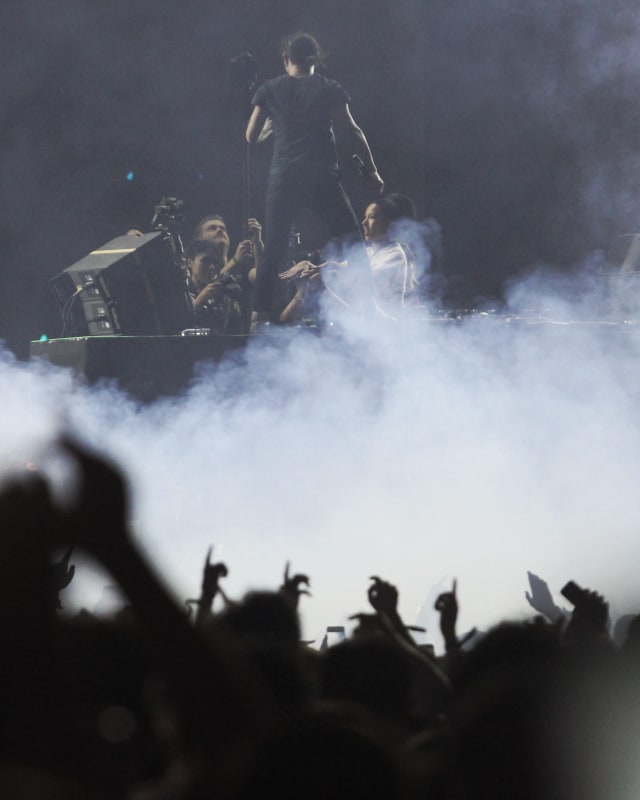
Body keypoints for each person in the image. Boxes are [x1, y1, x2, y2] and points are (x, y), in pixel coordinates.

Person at [245, 31, 384, 330]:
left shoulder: (270, 89)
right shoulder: (328, 88)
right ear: (315, 61)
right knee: (353, 245)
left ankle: (259, 318)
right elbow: (353, 130)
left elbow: (251, 136)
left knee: (275, 247)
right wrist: (372, 171)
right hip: (322, 177)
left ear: (286, 59)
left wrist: (273, 127)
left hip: (284, 177)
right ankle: (369, 311)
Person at [185, 239, 243, 334]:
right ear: (190, 262)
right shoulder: (182, 293)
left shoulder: (220, 294)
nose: (211, 267)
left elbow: (234, 334)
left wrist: (233, 308)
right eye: (206, 261)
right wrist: (199, 302)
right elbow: (179, 327)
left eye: (214, 263)